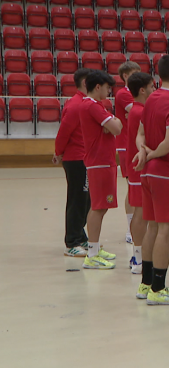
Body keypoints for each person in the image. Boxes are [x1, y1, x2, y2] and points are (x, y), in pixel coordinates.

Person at [133, 54, 169, 305]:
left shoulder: (152, 98)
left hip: (148, 172)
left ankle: (145, 284)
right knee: (168, 230)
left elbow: (140, 133)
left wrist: (143, 151)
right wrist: (153, 154)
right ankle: (158, 288)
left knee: (153, 227)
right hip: (167, 172)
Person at [78, 70, 122, 269]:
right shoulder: (92, 106)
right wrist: (113, 122)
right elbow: (118, 128)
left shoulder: (97, 106)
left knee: (102, 206)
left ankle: (94, 247)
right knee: (98, 207)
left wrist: (113, 121)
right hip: (99, 162)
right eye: (107, 88)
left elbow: (114, 125)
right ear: (98, 87)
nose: (108, 91)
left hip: (104, 161)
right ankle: (92, 253)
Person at [54, 68, 92, 258]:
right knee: (78, 200)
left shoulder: (86, 103)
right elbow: (64, 132)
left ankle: (80, 234)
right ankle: (72, 242)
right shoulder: (76, 105)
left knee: (87, 200)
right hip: (76, 158)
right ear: (86, 83)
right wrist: (58, 152)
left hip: (86, 157)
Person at [125, 72, 155, 275]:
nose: (154, 90)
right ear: (143, 90)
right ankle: (137, 256)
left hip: (137, 165)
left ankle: (139, 253)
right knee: (140, 212)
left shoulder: (139, 110)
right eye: (152, 87)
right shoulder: (139, 112)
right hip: (138, 167)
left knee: (142, 211)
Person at [115, 61, 139, 244]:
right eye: (133, 73)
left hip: (137, 145)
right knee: (132, 186)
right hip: (125, 146)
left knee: (137, 186)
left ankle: (137, 225)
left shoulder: (136, 93)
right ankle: (131, 230)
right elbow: (139, 111)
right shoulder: (124, 94)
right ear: (125, 76)